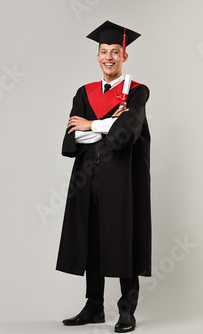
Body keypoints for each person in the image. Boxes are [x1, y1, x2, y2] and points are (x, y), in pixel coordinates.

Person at [56, 20, 151, 333]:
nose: (108, 56)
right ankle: (94, 306)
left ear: (124, 55)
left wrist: (92, 126)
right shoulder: (84, 93)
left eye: (115, 51)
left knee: (124, 239)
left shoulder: (137, 93)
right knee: (90, 240)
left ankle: (127, 311)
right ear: (97, 56)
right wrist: (108, 125)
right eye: (103, 51)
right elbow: (72, 139)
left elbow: (127, 135)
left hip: (121, 182)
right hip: (87, 180)